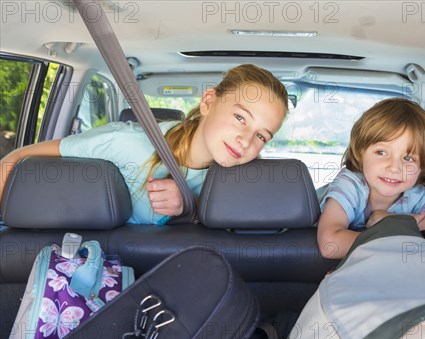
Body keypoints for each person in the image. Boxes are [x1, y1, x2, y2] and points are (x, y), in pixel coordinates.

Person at [0, 64, 288, 224]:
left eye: (262, 135)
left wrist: (190, 206)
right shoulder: (125, 143)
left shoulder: (245, 184)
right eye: (240, 117)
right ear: (208, 102)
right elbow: (15, 160)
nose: (246, 140)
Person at [317, 98, 425, 259]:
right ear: (361, 152)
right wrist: (400, 234)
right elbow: (329, 244)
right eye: (381, 152)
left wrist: (399, 221)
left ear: (423, 166)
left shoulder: (414, 195)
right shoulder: (350, 185)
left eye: (408, 158)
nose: (394, 168)